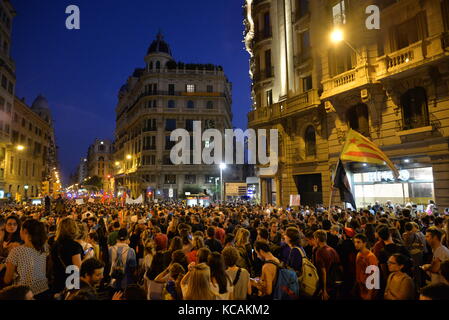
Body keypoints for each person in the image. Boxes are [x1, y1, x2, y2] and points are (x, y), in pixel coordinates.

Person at [3, 219, 49, 299]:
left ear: (24, 230)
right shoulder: (44, 247)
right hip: (44, 289)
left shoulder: (17, 251)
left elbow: (7, 279)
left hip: (25, 294)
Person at [49, 217, 83, 294]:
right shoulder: (74, 246)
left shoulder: (55, 244)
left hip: (57, 279)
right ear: (74, 229)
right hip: (70, 283)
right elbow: (77, 268)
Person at [313, 230, 341, 300]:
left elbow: (323, 272)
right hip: (333, 282)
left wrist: (324, 290)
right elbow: (339, 266)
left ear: (317, 239)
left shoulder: (319, 252)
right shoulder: (332, 250)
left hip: (325, 284)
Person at [353, 233, 378, 300]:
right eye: (355, 242)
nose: (356, 244)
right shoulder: (359, 254)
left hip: (368, 288)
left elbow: (374, 276)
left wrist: (370, 293)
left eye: (358, 242)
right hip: (361, 287)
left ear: (364, 243)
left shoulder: (370, 257)